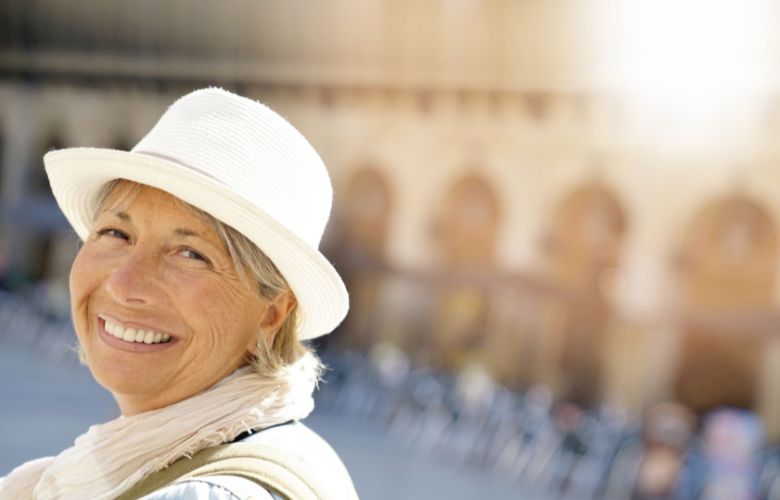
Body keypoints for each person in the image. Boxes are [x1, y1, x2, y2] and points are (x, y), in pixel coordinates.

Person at [0, 88, 359, 499]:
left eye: (190, 254)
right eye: (116, 233)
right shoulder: (292, 453)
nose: (124, 285)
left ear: (273, 312)